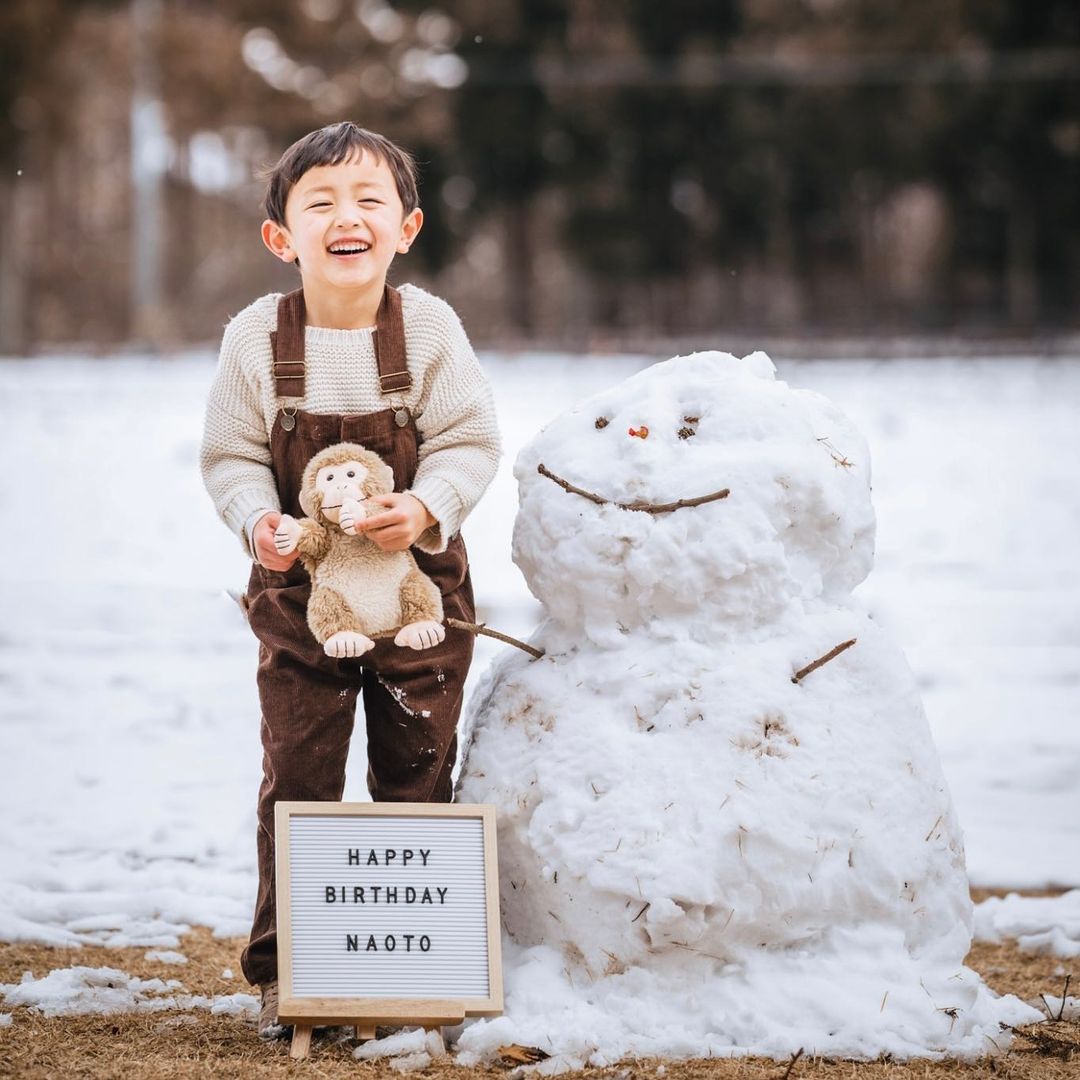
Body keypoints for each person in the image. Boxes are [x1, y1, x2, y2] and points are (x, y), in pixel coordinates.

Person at [199, 121, 501, 1037]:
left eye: (370, 200)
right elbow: (230, 456)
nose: (348, 217)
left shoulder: (429, 329)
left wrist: (426, 505)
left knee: (417, 761)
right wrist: (259, 520)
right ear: (281, 237)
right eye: (321, 202)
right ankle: (287, 970)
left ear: (406, 228)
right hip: (304, 600)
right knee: (299, 771)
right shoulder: (257, 340)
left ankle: (415, 972)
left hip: (418, 593)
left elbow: (470, 442)